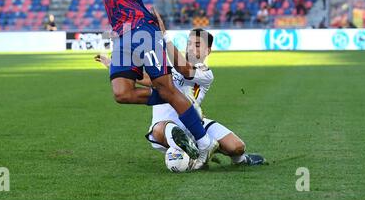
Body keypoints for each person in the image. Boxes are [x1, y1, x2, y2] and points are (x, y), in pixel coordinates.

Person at [62, 0, 218, 168]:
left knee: (165, 87)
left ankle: (203, 142)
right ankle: (178, 100)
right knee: (122, 93)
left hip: (142, 29)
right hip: (122, 34)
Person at [95, 19, 266, 169]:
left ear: (208, 51)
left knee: (237, 147)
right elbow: (147, 79)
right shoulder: (169, 62)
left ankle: (240, 160)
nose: (191, 48)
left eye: (197, 45)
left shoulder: (205, 74)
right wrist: (113, 65)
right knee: (163, 129)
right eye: (189, 43)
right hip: (163, 127)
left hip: (195, 124)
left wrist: (164, 35)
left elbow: (183, 69)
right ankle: (197, 148)